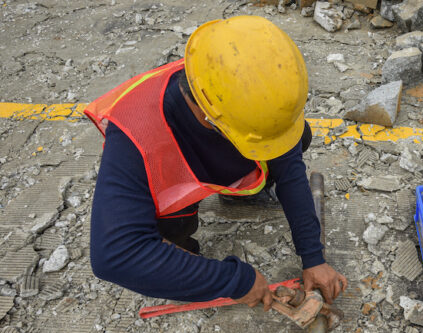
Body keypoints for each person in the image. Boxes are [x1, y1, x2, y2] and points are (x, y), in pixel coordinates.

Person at [86, 15, 347, 311]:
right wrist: (232, 281)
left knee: (295, 138)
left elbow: (289, 167)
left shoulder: (238, 94)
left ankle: (240, 192)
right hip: (173, 187)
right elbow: (114, 256)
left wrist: (314, 257)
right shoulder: (135, 134)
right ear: (207, 118)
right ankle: (178, 249)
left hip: (213, 152)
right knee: (172, 230)